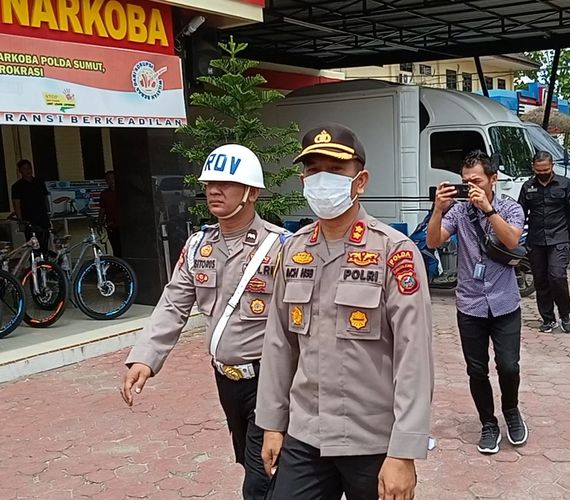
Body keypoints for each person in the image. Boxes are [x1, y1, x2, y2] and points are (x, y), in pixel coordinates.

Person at [256, 123, 434, 500]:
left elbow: (413, 356)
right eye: (313, 170)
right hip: (305, 434)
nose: (323, 180)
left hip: (372, 440)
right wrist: (273, 424)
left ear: (361, 180)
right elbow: (279, 344)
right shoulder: (293, 250)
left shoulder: (393, 252)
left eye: (335, 170)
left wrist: (403, 451)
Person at [120, 144, 288, 500]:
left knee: (260, 480)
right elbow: (173, 303)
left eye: (226, 183)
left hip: (270, 380)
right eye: (210, 182)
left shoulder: (281, 247)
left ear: (252, 192)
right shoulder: (199, 246)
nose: (214, 189)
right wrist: (145, 357)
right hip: (226, 380)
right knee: (250, 463)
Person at [427, 150, 528, 455]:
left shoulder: (510, 207)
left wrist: (488, 211)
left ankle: (511, 411)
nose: (470, 187)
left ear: (493, 180)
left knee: (509, 366)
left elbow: (512, 241)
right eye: (465, 181)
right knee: (476, 369)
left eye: (477, 181)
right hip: (470, 304)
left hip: (505, 302)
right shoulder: (458, 212)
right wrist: (437, 210)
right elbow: (433, 242)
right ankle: (488, 423)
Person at [518, 151, 570, 334]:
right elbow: (519, 213)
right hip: (536, 240)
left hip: (559, 239)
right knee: (541, 281)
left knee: (557, 276)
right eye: (539, 170)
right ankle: (548, 318)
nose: (542, 173)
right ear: (533, 168)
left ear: (552, 166)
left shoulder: (565, 184)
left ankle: (565, 315)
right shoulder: (528, 186)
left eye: (545, 169)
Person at [11, 159, 51, 252]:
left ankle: (45, 264)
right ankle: (34, 264)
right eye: (24, 169)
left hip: (42, 218)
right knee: (33, 246)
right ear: (20, 171)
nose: (28, 171)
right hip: (28, 220)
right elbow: (16, 204)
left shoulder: (39, 182)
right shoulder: (17, 186)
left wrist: (48, 212)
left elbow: (45, 198)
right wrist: (20, 221)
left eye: (29, 168)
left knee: (45, 244)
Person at [98, 171, 121, 257]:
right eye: (108, 179)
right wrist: (99, 223)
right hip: (112, 225)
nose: (111, 181)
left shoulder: (124, 192)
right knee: (116, 248)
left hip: (125, 226)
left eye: (112, 178)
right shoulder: (104, 194)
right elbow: (102, 209)